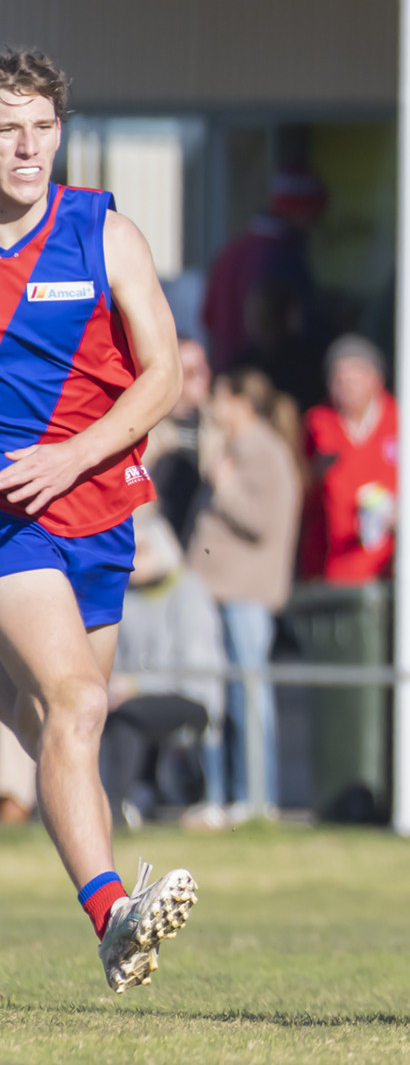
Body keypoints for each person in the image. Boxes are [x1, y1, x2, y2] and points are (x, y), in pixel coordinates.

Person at [0, 48, 197, 993]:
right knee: (78, 703)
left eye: (41, 126)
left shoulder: (103, 231)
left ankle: (111, 927)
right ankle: (113, 911)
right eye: (6, 128)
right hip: (11, 524)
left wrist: (77, 455)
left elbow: (163, 374)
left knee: (53, 731)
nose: (26, 146)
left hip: (101, 514)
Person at [189, 368, 303, 818]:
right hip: (216, 594)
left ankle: (257, 799)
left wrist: (225, 485)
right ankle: (220, 797)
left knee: (249, 697)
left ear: (239, 402)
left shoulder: (264, 451)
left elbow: (263, 521)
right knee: (218, 698)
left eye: (218, 396)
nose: (214, 407)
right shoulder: (237, 448)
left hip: (246, 596)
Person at [105, 507, 226, 830]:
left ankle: (115, 806)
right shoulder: (126, 597)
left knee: (126, 716)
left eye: (141, 551)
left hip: (189, 695)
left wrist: (137, 685)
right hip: (133, 696)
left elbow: (196, 669)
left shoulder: (188, 592)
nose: (134, 560)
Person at [201, 167, 327, 404]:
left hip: (230, 382)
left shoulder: (230, 252)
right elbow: (301, 325)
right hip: (271, 391)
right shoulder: (283, 256)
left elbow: (208, 317)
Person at [299, 334, 399, 583]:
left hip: (389, 568)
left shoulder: (400, 420)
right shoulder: (318, 424)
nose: (346, 385)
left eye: (356, 376)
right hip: (332, 568)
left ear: (376, 379)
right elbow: (304, 489)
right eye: (338, 378)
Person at [141, 338, 211, 545]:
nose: (200, 379)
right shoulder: (146, 428)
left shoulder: (222, 427)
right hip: (157, 549)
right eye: (191, 372)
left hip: (202, 550)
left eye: (203, 369)